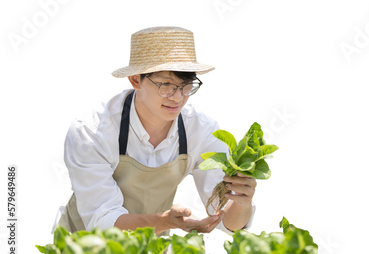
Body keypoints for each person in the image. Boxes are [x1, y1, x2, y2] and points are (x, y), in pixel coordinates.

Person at [57, 26, 256, 236]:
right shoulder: (92, 131)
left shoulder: (201, 131)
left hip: (151, 247)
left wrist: (243, 203)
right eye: (165, 84)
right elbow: (102, 222)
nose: (178, 97)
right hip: (84, 248)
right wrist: (166, 221)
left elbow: (227, 221)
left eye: (186, 86)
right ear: (135, 79)